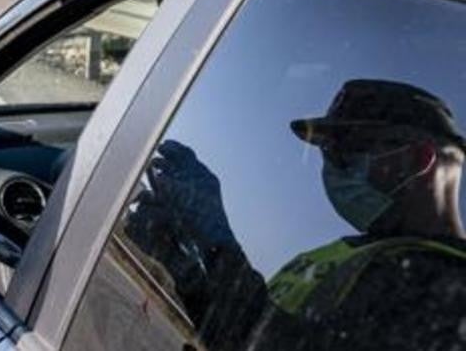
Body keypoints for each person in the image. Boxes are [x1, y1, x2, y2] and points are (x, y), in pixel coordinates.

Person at [127, 79, 466, 351]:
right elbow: (250, 333)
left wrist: (219, 254)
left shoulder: (447, 291)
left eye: (346, 151)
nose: (330, 169)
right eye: (325, 153)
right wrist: (193, 280)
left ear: (418, 159)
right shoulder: (344, 256)